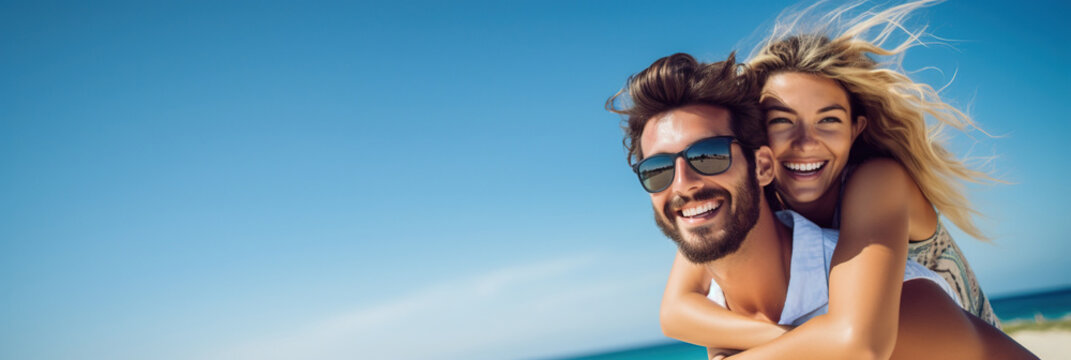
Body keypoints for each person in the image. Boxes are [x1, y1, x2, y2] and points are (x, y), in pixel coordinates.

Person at [607, 52, 1033, 359]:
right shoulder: (735, 210)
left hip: (958, 321)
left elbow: (856, 341)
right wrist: (782, 339)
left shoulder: (875, 182)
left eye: (828, 120)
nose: (804, 143)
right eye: (781, 122)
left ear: (856, 128)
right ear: (765, 152)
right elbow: (676, 310)